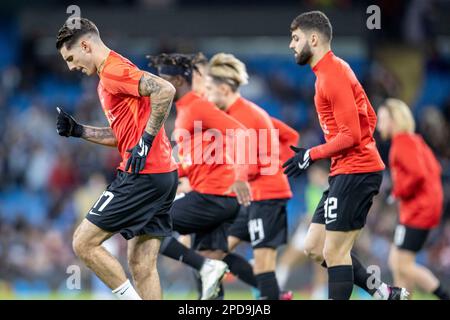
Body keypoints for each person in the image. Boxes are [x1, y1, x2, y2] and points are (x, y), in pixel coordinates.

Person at [284, 11, 408, 300]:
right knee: (314, 247)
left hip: (356, 172)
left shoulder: (333, 75)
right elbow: (371, 119)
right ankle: (384, 292)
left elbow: (351, 135)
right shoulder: (332, 71)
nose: (291, 45)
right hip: (345, 171)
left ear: (313, 39)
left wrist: (310, 155)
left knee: (334, 251)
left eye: (295, 38)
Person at [55, 17, 178, 300]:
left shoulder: (113, 70)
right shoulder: (111, 72)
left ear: (86, 45)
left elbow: (165, 90)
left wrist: (145, 142)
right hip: (163, 175)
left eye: (71, 57)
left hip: (142, 175)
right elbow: (124, 136)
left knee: (83, 243)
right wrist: (79, 130)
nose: (71, 66)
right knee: (142, 266)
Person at [147, 53, 252, 300]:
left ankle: (209, 268)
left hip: (214, 196)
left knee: (148, 223)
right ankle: (210, 271)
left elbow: (242, 133)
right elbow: (191, 160)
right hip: (212, 194)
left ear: (178, 81)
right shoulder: (186, 111)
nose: (157, 86)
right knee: (208, 266)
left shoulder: (198, 106)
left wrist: (240, 175)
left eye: (163, 80)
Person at [205, 53, 293, 300]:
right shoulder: (238, 114)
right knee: (213, 252)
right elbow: (289, 136)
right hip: (251, 197)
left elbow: (247, 164)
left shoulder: (244, 115)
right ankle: (276, 294)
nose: (207, 96)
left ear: (223, 88)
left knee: (264, 263)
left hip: (267, 195)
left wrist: (273, 166)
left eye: (210, 89)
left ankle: (271, 295)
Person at [377, 98, 449, 300]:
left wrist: (397, 192)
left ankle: (443, 295)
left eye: (382, 119)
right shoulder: (414, 140)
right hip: (423, 210)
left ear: (393, 120)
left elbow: (417, 174)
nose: (379, 124)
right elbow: (434, 169)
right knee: (396, 261)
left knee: (403, 265)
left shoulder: (402, 143)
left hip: (418, 212)